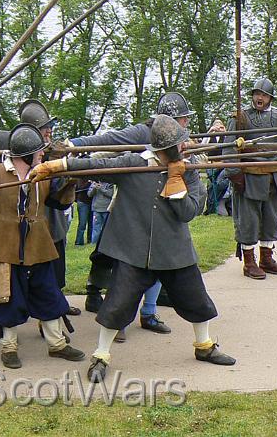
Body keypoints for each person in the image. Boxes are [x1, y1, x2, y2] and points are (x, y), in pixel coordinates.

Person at [31, 115, 235, 382]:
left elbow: (188, 213)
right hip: (133, 251)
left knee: (196, 299)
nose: (185, 148)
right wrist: (58, 165)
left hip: (174, 251)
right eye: (179, 145)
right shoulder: (133, 164)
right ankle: (101, 355)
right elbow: (97, 165)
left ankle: (205, 346)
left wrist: (176, 185)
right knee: (116, 305)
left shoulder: (189, 172)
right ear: (164, 149)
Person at [64, 92, 206, 333]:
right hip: (128, 203)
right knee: (113, 257)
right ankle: (99, 297)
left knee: (158, 260)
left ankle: (148, 313)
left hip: (164, 206)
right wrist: (75, 145)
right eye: (183, 119)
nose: (186, 125)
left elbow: (193, 169)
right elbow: (110, 141)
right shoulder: (145, 133)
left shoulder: (180, 140)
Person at [0, 124, 85, 369]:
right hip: (5, 245)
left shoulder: (44, 175)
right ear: (26, 155)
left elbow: (59, 204)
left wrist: (70, 184)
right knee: (8, 297)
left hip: (38, 244)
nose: (42, 155)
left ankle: (56, 344)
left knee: (48, 293)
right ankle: (9, 346)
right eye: (38, 152)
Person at [222, 78, 277, 280]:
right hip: (248, 177)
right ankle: (249, 262)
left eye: (264, 95)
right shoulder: (240, 117)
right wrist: (235, 174)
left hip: (274, 177)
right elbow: (229, 148)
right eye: (257, 94)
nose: (260, 97)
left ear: (270, 97)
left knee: (271, 220)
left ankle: (266, 258)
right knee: (248, 220)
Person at [73, 180, 93, 246]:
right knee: (82, 223)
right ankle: (79, 242)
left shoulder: (94, 177)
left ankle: (90, 240)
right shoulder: (81, 178)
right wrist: (90, 183)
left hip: (92, 202)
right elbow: (80, 188)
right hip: (83, 202)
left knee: (91, 223)